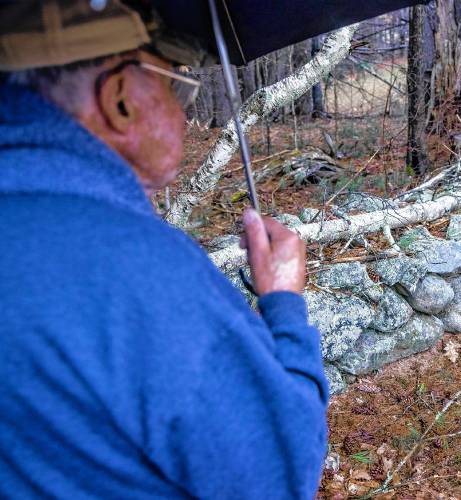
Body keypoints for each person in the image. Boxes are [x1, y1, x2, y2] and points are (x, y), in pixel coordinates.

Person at [0, 1, 327, 498]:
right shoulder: (137, 271)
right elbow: (278, 477)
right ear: (120, 99)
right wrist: (283, 303)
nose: (183, 110)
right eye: (175, 84)